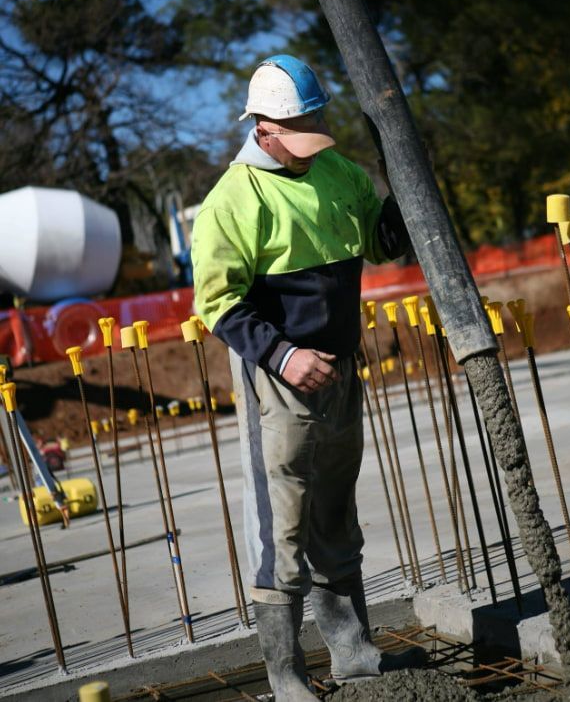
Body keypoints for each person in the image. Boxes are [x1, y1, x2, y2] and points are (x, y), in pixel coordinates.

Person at [192, 55, 419, 700]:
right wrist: (284, 356)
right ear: (263, 131)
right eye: (295, 138)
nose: (306, 151)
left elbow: (379, 242)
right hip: (280, 385)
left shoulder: (337, 171)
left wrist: (406, 188)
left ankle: (354, 656)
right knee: (282, 525)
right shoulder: (233, 199)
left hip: (342, 373)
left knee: (336, 517)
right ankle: (286, 674)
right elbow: (216, 302)